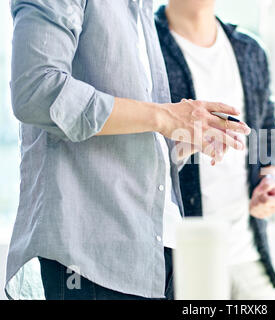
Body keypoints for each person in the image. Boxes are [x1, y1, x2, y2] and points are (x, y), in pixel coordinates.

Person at [5, 0, 250, 300]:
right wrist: (165, 117)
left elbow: (136, 121)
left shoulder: (140, 7)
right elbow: (37, 91)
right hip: (90, 259)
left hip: (158, 257)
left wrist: (176, 141)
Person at [155, 0, 275, 300]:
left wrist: (270, 179)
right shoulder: (147, 47)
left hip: (249, 256)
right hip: (182, 262)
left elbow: (266, 130)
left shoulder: (249, 51)